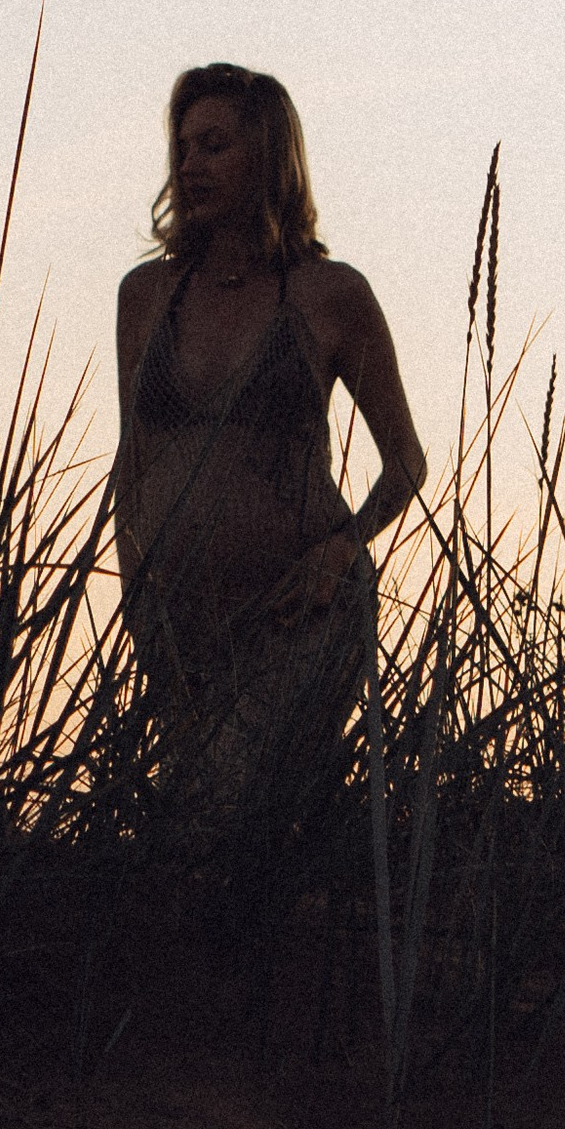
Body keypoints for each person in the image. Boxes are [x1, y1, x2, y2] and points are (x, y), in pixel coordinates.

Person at [114, 65, 427, 856]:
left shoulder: (330, 294)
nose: (191, 166)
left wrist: (342, 549)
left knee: (225, 816)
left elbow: (406, 462)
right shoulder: (145, 295)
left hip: (300, 617)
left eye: (214, 146)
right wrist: (140, 601)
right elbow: (134, 463)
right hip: (182, 624)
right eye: (184, 147)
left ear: (267, 157)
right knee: (203, 835)